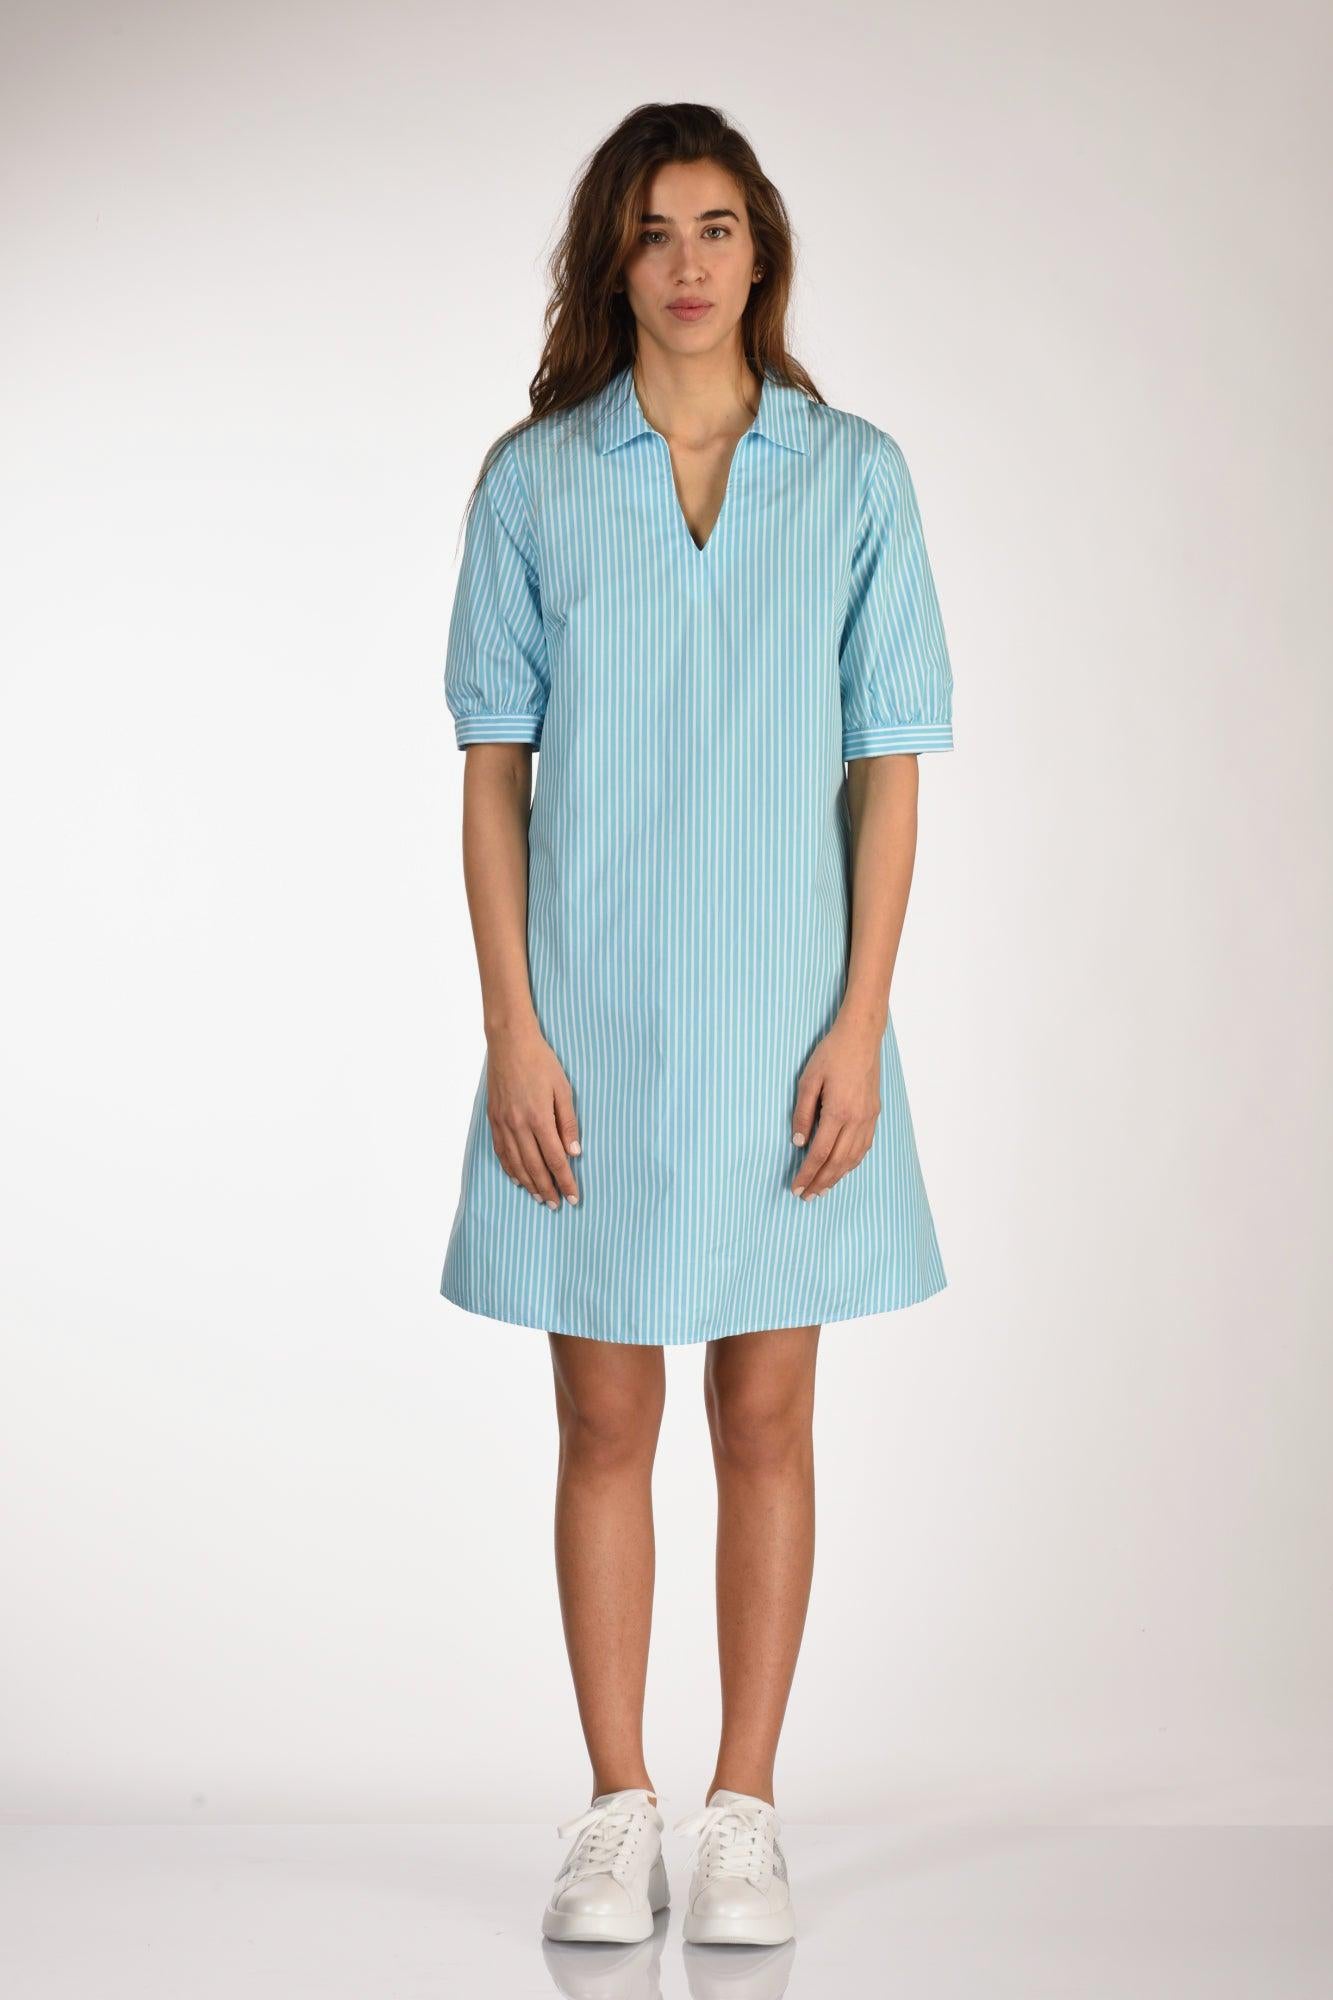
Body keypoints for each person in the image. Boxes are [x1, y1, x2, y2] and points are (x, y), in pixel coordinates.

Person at [439, 102, 955, 1949]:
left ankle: (743, 1810)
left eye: (716, 226)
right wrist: (513, 1028)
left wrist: (859, 1021)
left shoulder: (853, 476)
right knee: (601, 1415)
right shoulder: (535, 482)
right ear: (614, 255)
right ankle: (614, 1808)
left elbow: (889, 771)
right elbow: (491, 773)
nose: (686, 262)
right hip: (587, 1021)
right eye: (654, 230)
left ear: (761, 251)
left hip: (785, 1023)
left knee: (764, 1410)